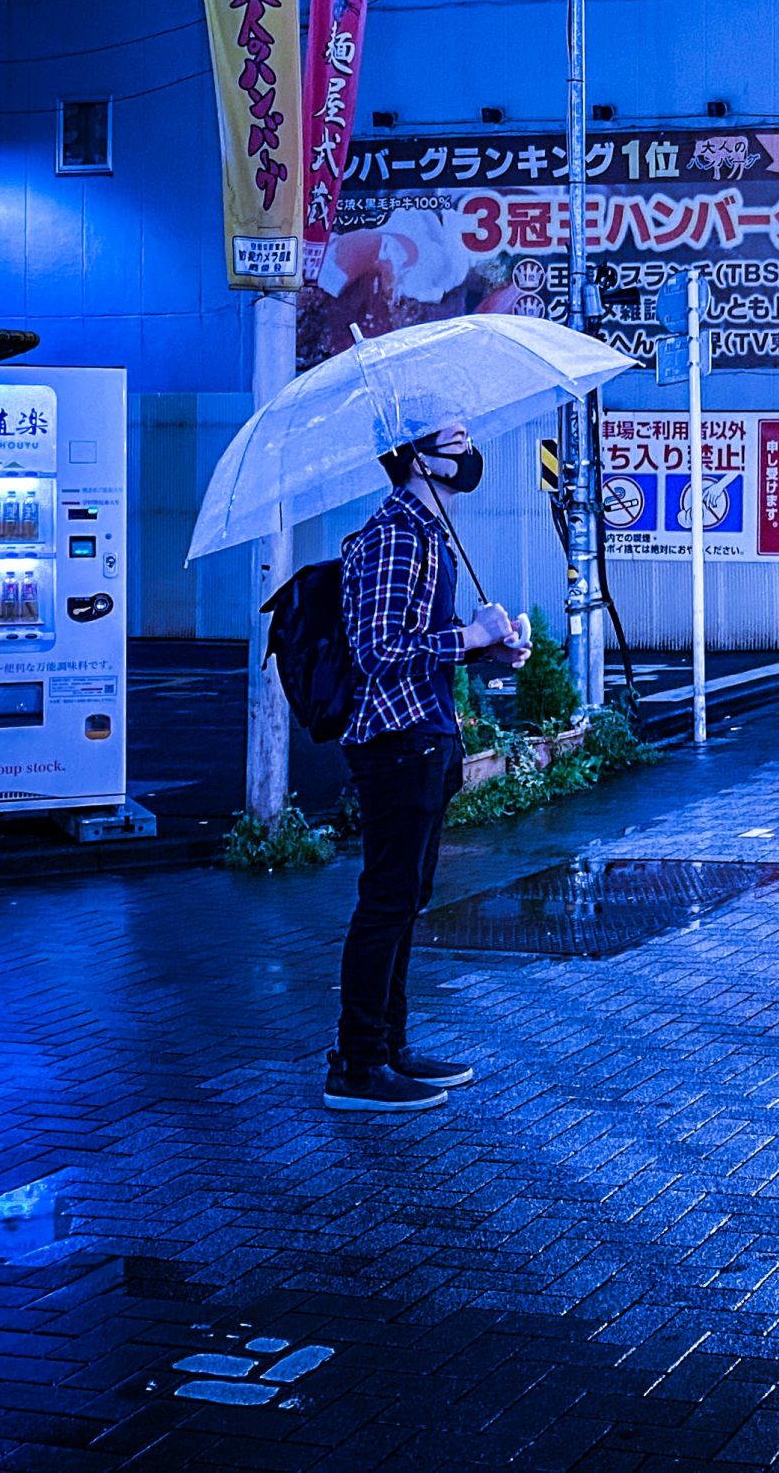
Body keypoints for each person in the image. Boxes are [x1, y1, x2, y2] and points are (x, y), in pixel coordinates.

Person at [324, 426, 528, 1113]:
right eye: (454, 439)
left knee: (406, 901)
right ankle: (357, 1064)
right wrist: (469, 634)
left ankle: (389, 1048)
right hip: (395, 741)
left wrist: (488, 652)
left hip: (426, 735)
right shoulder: (395, 536)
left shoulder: (431, 534)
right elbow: (378, 649)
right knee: (386, 902)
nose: (469, 450)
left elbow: (419, 645)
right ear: (416, 458)